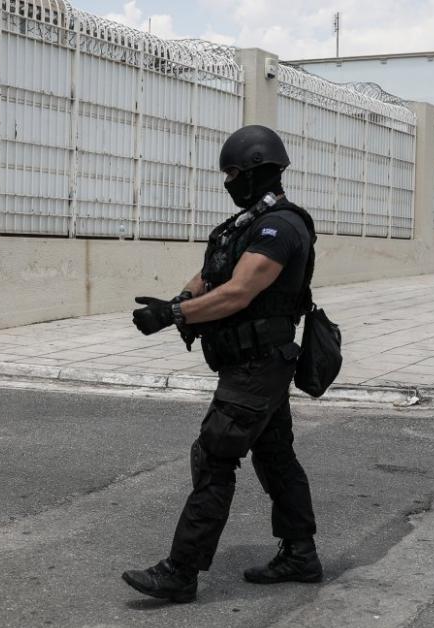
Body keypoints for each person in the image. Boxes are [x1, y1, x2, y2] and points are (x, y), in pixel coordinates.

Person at [123, 125, 321, 603]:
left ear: (258, 170)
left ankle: (181, 571)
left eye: (233, 172)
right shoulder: (248, 223)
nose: (228, 181)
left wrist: (173, 316)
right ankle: (300, 555)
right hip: (254, 364)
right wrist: (182, 299)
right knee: (275, 458)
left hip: (258, 366)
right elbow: (214, 270)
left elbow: (239, 291)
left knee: (214, 457)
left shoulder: (280, 227)